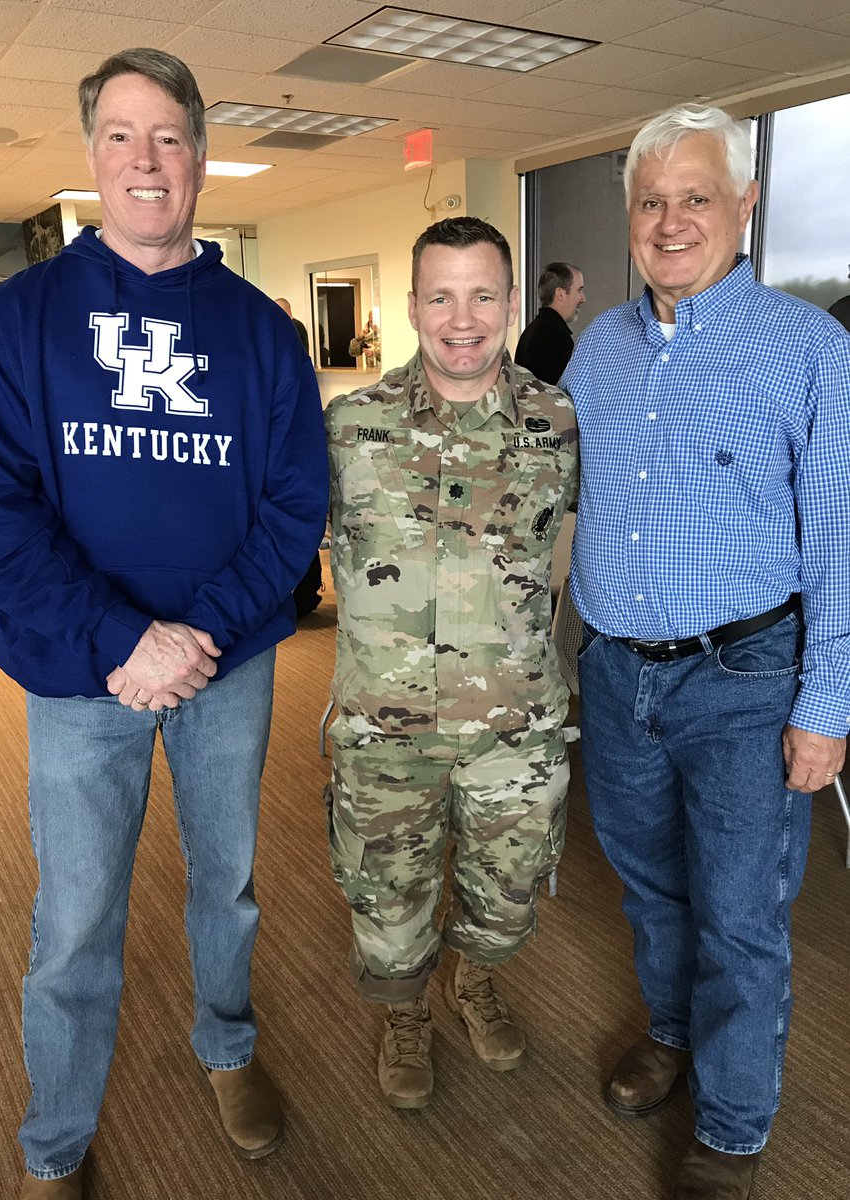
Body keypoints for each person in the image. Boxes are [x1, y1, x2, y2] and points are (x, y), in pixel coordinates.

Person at [0, 48, 328, 1200]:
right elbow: (0, 514)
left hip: (228, 662)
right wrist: (127, 638)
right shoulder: (23, 318)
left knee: (227, 883)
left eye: (167, 135)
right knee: (73, 917)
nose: (145, 160)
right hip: (79, 676)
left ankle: (227, 1045)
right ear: (90, 159)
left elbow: (293, 504)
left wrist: (198, 634)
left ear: (204, 159)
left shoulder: (262, 331)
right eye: (120, 136)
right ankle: (55, 1142)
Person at [561, 104, 850, 1200]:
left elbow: (838, 541)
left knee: (741, 914)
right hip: (616, 670)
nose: (671, 220)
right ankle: (673, 1033)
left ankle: (733, 1125)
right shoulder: (600, 351)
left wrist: (828, 704)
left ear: (745, 204)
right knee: (651, 890)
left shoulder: (812, 352)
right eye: (651, 200)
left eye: (695, 196)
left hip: (744, 680)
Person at [324, 217, 577, 1109]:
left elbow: (571, 551)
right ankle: (405, 1014)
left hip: (516, 728)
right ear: (413, 306)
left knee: (506, 891)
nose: (461, 318)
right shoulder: (351, 427)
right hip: (382, 730)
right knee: (387, 896)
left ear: (511, 304)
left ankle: (471, 980)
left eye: (481, 294)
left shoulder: (556, 420)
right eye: (441, 295)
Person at [514, 261, 584, 384]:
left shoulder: (530, 332)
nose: (583, 298)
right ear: (560, 294)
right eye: (579, 290)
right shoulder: (558, 337)